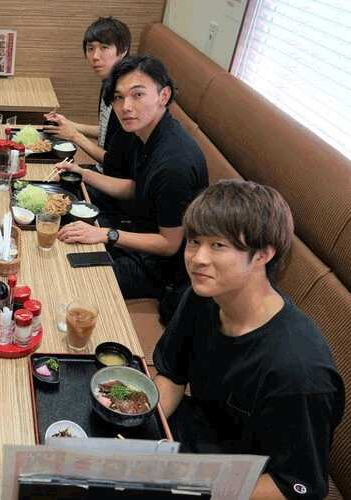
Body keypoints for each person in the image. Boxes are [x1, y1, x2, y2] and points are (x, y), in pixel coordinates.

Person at [153, 180, 345, 499]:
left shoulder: (298, 372)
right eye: (195, 241)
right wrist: (141, 419)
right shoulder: (202, 297)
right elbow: (172, 375)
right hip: (191, 438)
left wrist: (189, 483)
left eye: (218, 245)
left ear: (263, 254)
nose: (198, 258)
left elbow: (295, 486)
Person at [57, 55, 208, 323]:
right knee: (65, 227)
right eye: (119, 97)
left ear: (163, 95)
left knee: (73, 274)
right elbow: (135, 188)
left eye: (138, 95)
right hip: (136, 231)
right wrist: (84, 174)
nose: (126, 106)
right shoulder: (147, 132)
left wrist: (106, 234)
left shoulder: (174, 164)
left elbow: (169, 245)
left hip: (160, 268)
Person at [42, 17, 130, 167]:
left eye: (104, 48)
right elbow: (108, 131)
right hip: (102, 170)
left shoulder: (126, 97)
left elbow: (115, 164)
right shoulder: (109, 82)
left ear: (122, 51)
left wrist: (75, 136)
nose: (95, 56)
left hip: (112, 177)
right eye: (90, 49)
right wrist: (69, 124)